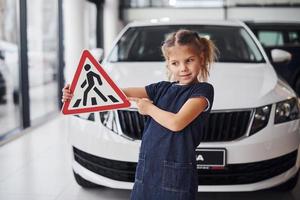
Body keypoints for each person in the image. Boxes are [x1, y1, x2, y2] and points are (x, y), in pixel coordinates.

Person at [62, 29, 217, 200]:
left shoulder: (203, 90)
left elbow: (176, 123)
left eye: (189, 60)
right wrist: (77, 92)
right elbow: (118, 93)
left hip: (176, 173)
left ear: (201, 59)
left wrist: (149, 109)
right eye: (175, 63)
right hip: (148, 166)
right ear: (168, 64)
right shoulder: (161, 88)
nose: (183, 68)